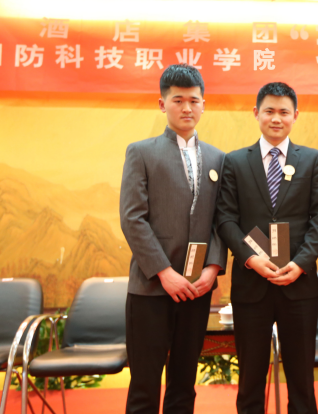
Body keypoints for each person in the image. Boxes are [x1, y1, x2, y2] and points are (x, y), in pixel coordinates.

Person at [216, 82, 318, 414]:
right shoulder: (235, 161)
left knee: (301, 379)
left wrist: (301, 262)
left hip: (299, 283)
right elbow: (226, 218)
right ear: (256, 114)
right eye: (269, 111)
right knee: (251, 378)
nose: (276, 118)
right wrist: (250, 259)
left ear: (295, 115)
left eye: (284, 111)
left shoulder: (312, 160)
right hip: (251, 284)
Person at [120, 63, 227, 414]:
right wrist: (165, 273)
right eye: (178, 100)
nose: (186, 108)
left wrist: (212, 268)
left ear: (203, 105)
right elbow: (132, 218)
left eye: (194, 100)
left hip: (196, 289)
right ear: (162, 104)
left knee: (184, 384)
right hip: (151, 288)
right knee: (144, 385)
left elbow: (221, 220)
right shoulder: (141, 152)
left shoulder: (218, 158)